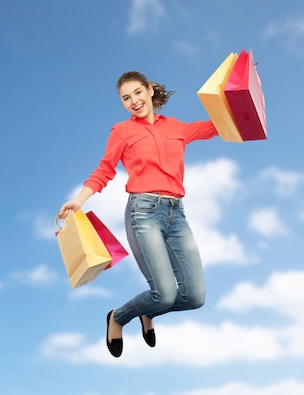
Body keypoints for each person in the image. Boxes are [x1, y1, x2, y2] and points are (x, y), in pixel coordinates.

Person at [58, 71, 219, 358]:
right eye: (126, 98)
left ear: (149, 90)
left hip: (177, 214)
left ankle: (149, 311)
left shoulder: (177, 127)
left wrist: (236, 101)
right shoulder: (122, 131)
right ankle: (118, 317)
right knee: (165, 293)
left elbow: (221, 125)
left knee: (195, 297)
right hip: (143, 213)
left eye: (137, 93)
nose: (134, 101)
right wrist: (78, 201)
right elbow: (105, 170)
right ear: (122, 104)